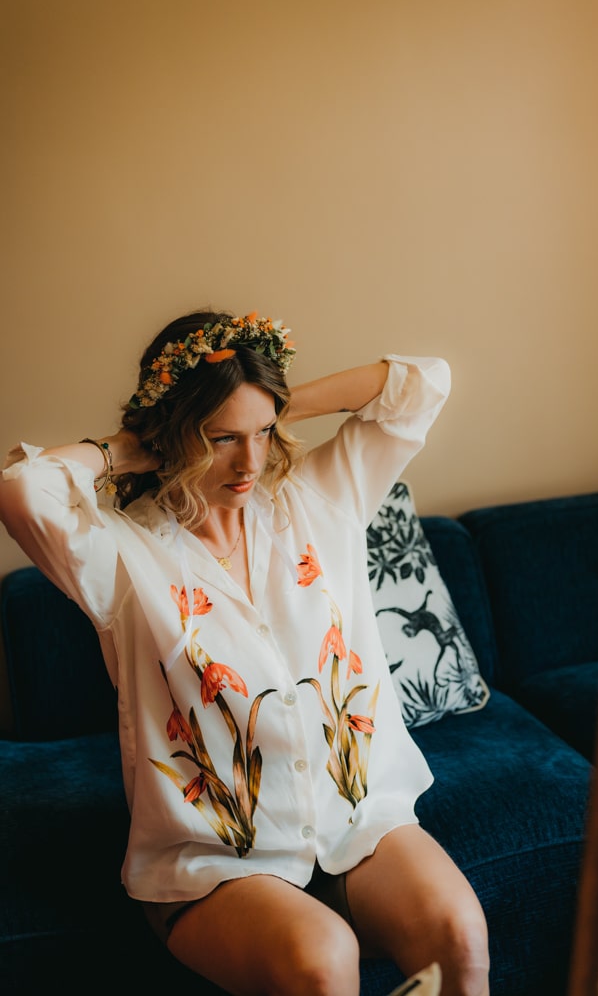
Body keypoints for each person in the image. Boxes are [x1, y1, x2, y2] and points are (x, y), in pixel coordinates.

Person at [0, 309, 490, 996]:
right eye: (221, 438)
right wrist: (135, 444)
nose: (250, 462)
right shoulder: (121, 558)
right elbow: (22, 489)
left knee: (460, 935)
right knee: (322, 961)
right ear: (176, 434)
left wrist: (271, 403)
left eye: (262, 434)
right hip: (220, 862)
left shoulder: (320, 500)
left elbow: (421, 384)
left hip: (359, 823)